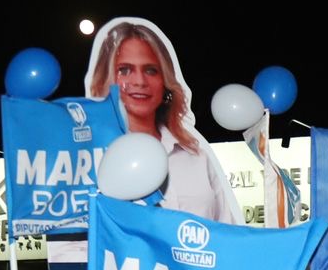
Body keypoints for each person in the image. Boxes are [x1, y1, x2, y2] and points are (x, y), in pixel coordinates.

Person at [85, 17, 242, 223]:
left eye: (151, 70)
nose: (139, 81)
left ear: (165, 81)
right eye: (124, 70)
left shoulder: (196, 156)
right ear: (106, 79)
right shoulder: (88, 159)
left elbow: (226, 232)